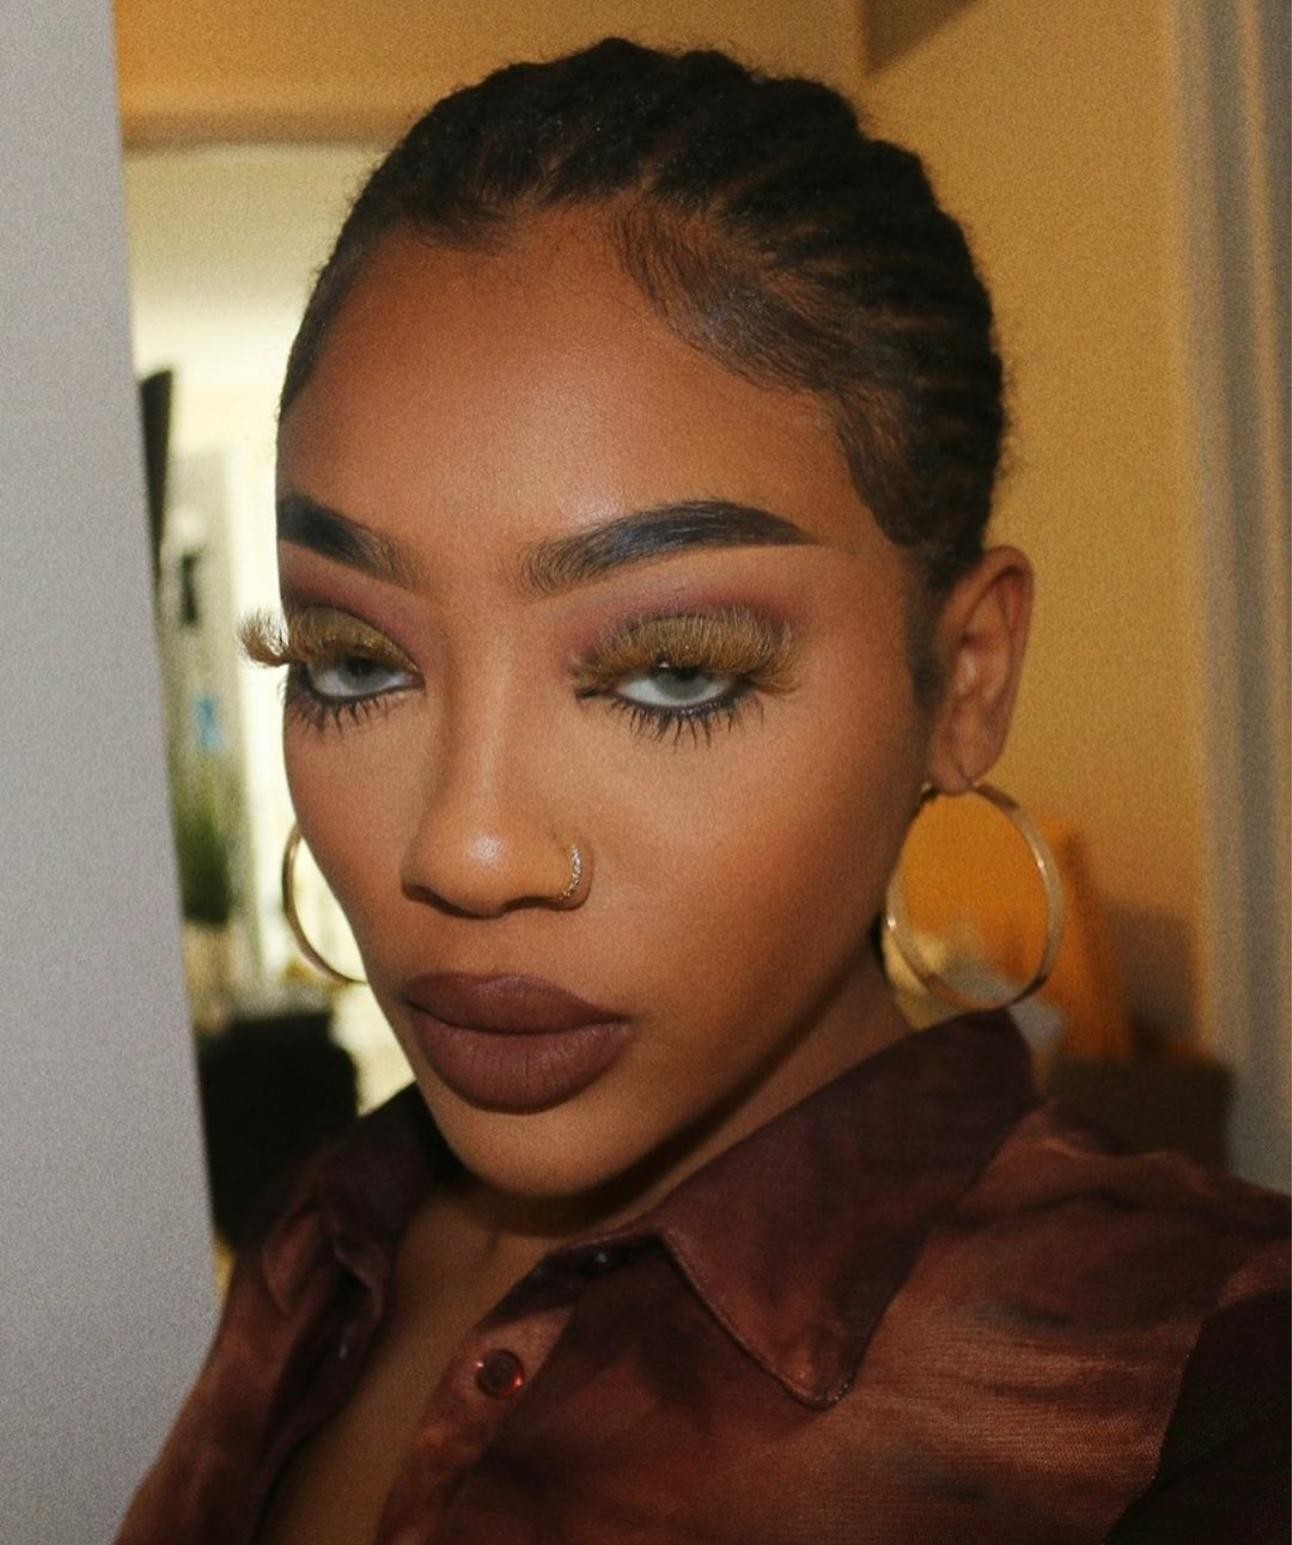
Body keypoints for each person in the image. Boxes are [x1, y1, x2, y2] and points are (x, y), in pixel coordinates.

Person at [116, 38, 1289, 1545]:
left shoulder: (1200, 1390)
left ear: (967, 679)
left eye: (673, 672)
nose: (468, 848)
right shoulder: (323, 1234)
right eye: (354, 661)